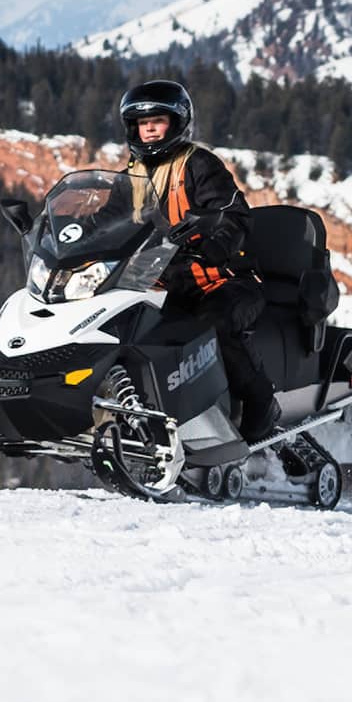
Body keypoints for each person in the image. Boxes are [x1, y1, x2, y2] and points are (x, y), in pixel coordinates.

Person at [118, 78, 279, 442]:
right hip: (167, 282)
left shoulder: (198, 163)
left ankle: (260, 403)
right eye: (143, 124)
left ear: (176, 123)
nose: (149, 131)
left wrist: (216, 242)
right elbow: (111, 220)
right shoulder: (132, 173)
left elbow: (234, 215)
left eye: (157, 122)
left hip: (223, 279)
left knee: (215, 324)